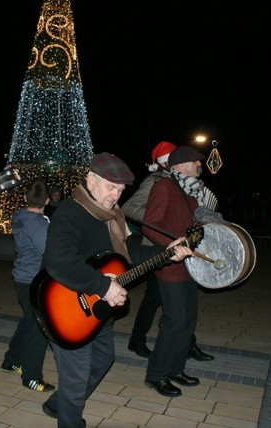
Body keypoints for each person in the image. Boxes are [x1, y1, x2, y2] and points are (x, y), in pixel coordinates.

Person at [40, 152, 192, 427]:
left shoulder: (113, 216)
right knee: (76, 376)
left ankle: (56, 404)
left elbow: (128, 252)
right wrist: (103, 285)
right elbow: (58, 261)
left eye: (121, 190)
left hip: (99, 310)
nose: (115, 196)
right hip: (66, 308)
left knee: (104, 359)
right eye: (111, 188)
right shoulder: (71, 212)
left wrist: (165, 252)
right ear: (91, 180)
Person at [122, 141, 213, 361]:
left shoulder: (186, 184)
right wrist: (163, 219)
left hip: (176, 251)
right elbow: (129, 208)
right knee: (156, 301)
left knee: (172, 306)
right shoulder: (157, 181)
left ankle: (186, 345)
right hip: (156, 248)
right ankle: (138, 340)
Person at [142, 145, 216, 397]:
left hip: (192, 266)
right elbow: (149, 225)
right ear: (182, 165)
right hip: (172, 265)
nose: (200, 165)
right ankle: (156, 375)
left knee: (188, 321)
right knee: (174, 322)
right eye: (197, 162)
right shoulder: (164, 186)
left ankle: (176, 369)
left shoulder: (193, 191)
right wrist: (170, 245)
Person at [1, 180, 55, 392]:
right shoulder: (39, 224)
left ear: (25, 198)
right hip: (35, 280)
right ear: (47, 200)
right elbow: (48, 253)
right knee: (39, 329)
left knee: (29, 321)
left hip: (22, 277)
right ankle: (31, 377)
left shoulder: (20, 217)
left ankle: (11, 361)